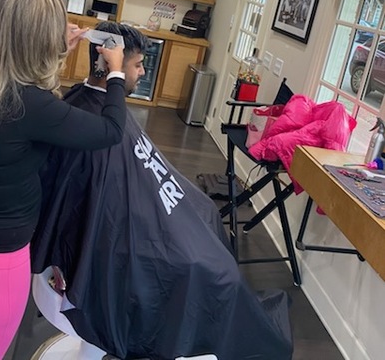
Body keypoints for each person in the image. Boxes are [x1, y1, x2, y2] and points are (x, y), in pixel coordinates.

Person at [31, 22, 293, 360]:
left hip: (154, 219)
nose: (143, 72)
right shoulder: (92, 123)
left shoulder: (90, 109)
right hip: (126, 247)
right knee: (214, 272)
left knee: (206, 214)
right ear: (112, 65)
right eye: (137, 64)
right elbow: (99, 214)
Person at [0, 0, 127, 360]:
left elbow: (26, 100)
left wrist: (56, 48)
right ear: (39, 44)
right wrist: (116, 72)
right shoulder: (32, 107)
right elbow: (111, 130)